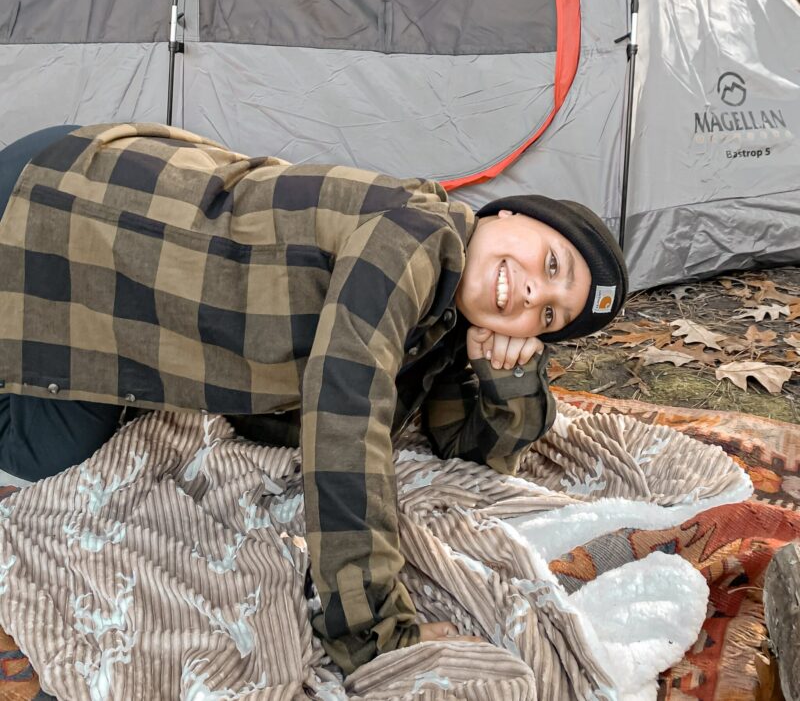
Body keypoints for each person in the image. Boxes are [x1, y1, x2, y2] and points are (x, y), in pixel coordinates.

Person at [0, 122, 627, 671]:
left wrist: (506, 379)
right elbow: (345, 418)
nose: (528, 297)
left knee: (48, 456)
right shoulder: (415, 234)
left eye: (547, 316)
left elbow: (460, 455)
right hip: (68, 200)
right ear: (511, 215)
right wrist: (372, 631)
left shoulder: (437, 324)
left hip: (125, 297)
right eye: (550, 265)